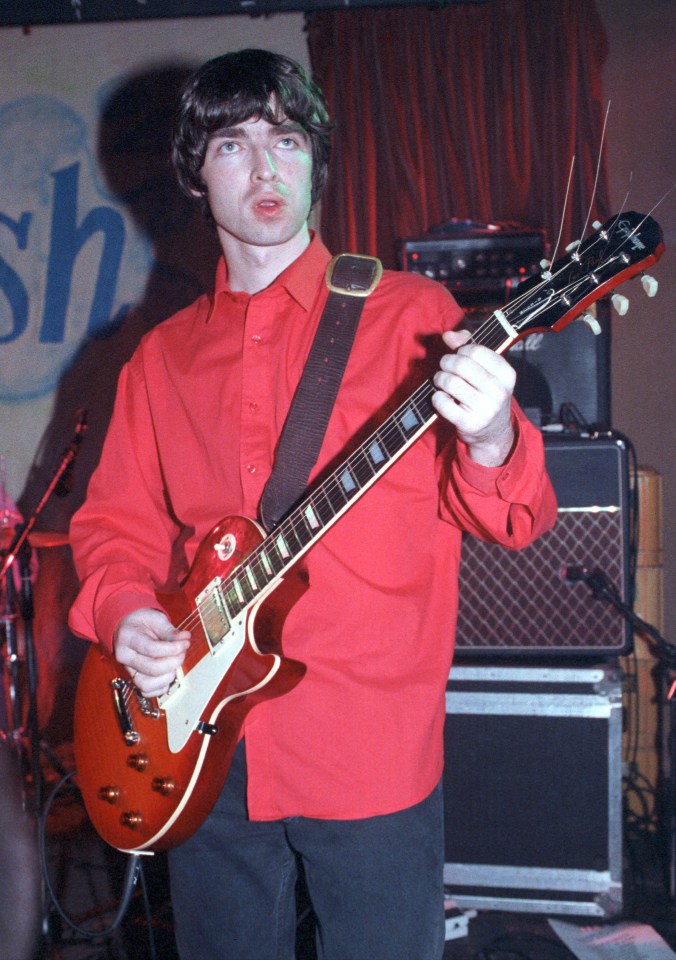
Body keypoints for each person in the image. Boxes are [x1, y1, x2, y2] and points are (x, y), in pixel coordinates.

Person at [68, 48, 557, 960]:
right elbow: (113, 528)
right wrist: (126, 610)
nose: (264, 167)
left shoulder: (414, 315)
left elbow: (513, 517)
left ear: (316, 162)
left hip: (366, 752)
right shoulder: (159, 359)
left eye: (286, 139)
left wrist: (492, 436)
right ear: (193, 173)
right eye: (231, 144)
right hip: (200, 745)